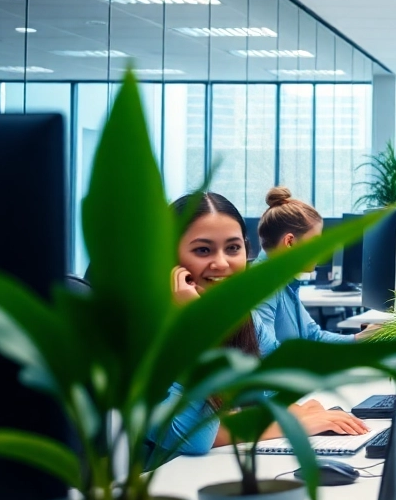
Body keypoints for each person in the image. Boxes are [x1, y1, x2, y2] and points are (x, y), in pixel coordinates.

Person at [151, 192, 368, 460]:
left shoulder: (241, 316)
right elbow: (194, 438)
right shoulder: (149, 330)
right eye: (202, 250)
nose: (222, 263)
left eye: (232, 248)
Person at [254, 187, 362, 356]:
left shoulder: (282, 279)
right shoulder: (262, 284)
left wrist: (359, 339)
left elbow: (312, 336)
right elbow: (265, 355)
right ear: (290, 242)